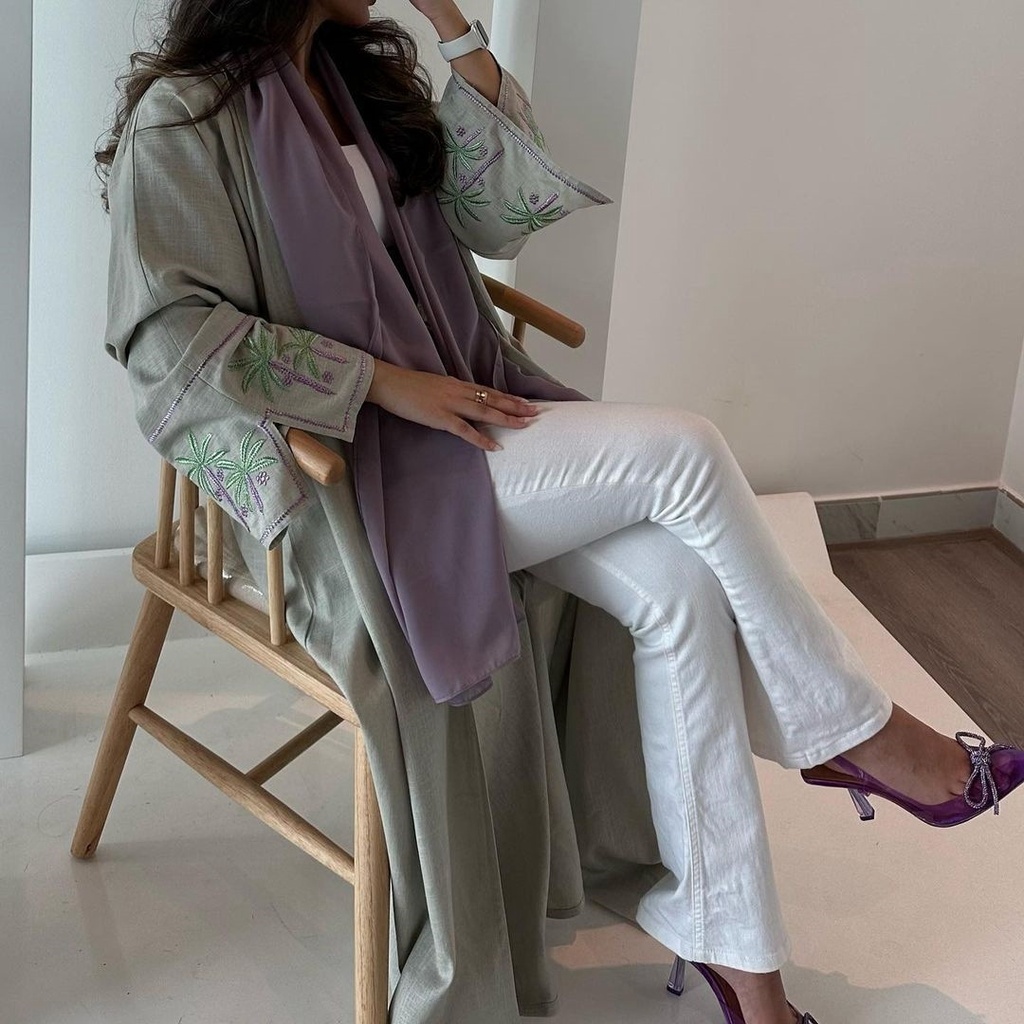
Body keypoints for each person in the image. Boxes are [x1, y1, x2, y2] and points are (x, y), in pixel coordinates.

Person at [96, 2, 1024, 1023]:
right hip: (346, 478)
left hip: (464, 415)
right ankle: (854, 732)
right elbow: (172, 339)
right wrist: (382, 384)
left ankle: (743, 963)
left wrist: (454, 27)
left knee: (680, 584)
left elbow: (497, 217)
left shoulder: (359, 83)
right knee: (688, 452)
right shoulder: (188, 116)